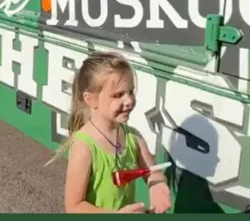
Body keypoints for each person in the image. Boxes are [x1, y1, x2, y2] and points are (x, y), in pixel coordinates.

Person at [48, 52, 171, 214]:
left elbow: (153, 171)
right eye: (118, 95)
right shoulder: (84, 146)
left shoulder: (133, 137)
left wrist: (157, 184)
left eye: (131, 92)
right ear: (91, 100)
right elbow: (74, 206)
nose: (128, 101)